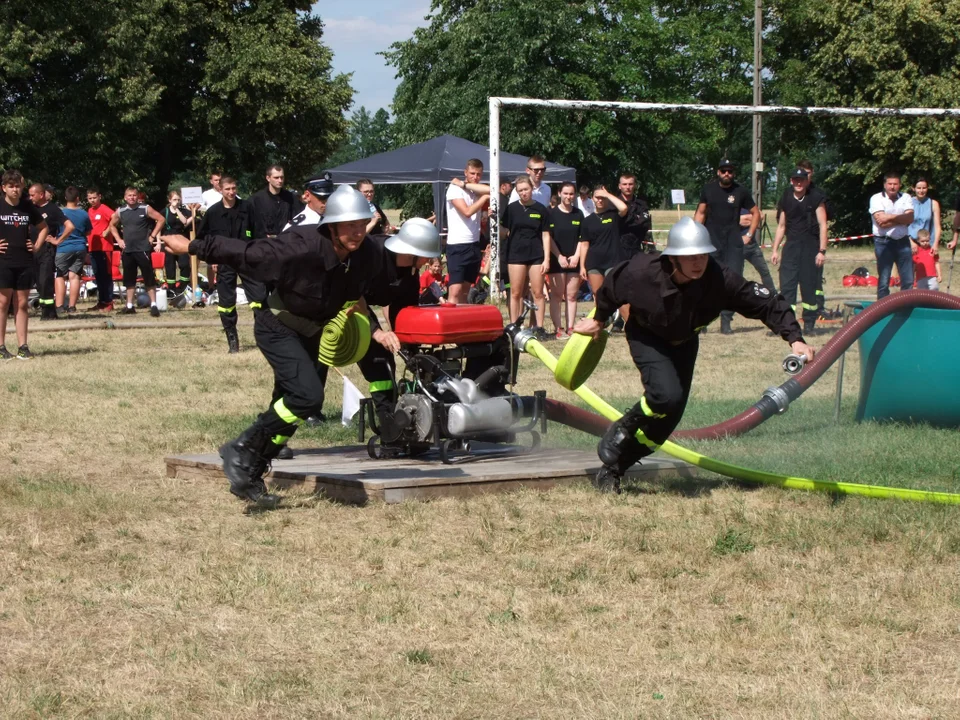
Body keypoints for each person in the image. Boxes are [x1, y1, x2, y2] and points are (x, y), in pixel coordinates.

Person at [160, 185, 389, 506]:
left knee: (296, 407)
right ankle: (242, 447)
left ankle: (248, 473)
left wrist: (375, 332)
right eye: (348, 225)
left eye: (360, 223)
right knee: (306, 396)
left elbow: (360, 295)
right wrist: (190, 246)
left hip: (315, 332)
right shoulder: (301, 245)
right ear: (332, 225)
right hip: (278, 325)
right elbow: (244, 252)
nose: (356, 232)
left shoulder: (369, 255)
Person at [572, 217, 815, 493]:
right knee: (665, 395)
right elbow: (612, 286)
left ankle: (616, 468)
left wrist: (795, 339)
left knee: (667, 422)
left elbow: (766, 303)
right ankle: (623, 426)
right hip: (647, 335)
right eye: (691, 257)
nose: (699, 262)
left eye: (703, 255)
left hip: (685, 341)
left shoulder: (720, 279)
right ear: (674, 258)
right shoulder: (641, 272)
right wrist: (600, 318)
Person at [359, 218, 443, 437]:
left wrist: (409, 347)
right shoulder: (370, 255)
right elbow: (351, 298)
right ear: (411, 252)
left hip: (358, 306)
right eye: (425, 256)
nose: (428, 262)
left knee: (383, 364)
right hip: (334, 308)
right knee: (309, 381)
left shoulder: (410, 271)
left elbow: (404, 309)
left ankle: (391, 426)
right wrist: (377, 332)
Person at [197, 176, 263, 352]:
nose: (231, 192)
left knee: (259, 298)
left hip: (247, 259)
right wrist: (212, 260)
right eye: (227, 189)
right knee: (226, 302)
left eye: (234, 188)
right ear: (220, 190)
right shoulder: (213, 213)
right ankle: (232, 339)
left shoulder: (247, 208)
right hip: (224, 261)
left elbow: (258, 232)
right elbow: (203, 239)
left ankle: (263, 335)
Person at [694, 158, 760, 334]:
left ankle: (726, 321)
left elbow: (756, 213)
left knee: (732, 281)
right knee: (706, 281)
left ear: (733, 173)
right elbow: (700, 213)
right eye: (723, 171)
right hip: (711, 242)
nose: (726, 174)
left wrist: (749, 235)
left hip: (733, 244)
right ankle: (702, 321)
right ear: (718, 172)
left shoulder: (741, 191)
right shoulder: (708, 190)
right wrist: (696, 236)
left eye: (729, 171)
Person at [770, 169, 828, 334]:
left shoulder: (815, 197)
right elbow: (782, 226)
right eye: (795, 179)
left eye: (801, 179)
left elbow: (823, 224)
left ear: (807, 180)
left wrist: (821, 251)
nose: (798, 183)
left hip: (810, 247)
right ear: (791, 180)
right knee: (787, 287)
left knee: (808, 287)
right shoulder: (787, 197)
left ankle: (809, 323)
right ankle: (788, 324)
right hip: (791, 248)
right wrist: (775, 250)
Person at [0, 170, 50, 360]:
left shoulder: (27, 206)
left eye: (17, 186)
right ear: (3, 188)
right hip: (3, 261)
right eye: (10, 186)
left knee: (21, 303)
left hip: (24, 260)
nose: (15, 189)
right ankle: (1, 347)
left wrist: (36, 245)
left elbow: (44, 228)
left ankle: (23, 346)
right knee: (3, 303)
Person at [105, 186, 165, 316]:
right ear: (125, 197)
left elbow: (161, 219)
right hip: (128, 250)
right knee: (129, 279)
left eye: (134, 195)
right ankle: (129, 305)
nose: (132, 198)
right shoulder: (121, 211)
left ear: (138, 197)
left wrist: (152, 236)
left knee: (148, 277)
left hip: (143, 248)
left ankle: (154, 305)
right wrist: (118, 240)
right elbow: (111, 225)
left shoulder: (145, 208)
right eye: (129, 195)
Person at [502, 176, 550, 329]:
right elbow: (504, 230)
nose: (524, 193)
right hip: (516, 255)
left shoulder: (541, 209)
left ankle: (539, 327)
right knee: (516, 293)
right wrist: (493, 220)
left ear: (532, 189)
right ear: (516, 192)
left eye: (526, 189)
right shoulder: (511, 209)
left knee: (538, 293)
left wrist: (547, 259)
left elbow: (546, 234)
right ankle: (514, 326)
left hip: (536, 255)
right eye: (520, 190)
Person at [445, 160, 490, 304]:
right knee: (455, 290)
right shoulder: (454, 189)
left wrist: (467, 185)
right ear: (465, 172)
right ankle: (450, 321)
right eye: (472, 173)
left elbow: (492, 189)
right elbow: (467, 211)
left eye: (478, 174)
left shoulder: (475, 189)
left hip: (474, 245)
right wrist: (483, 199)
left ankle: (462, 323)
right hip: (458, 244)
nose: (475, 177)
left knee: (466, 290)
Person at [28, 183, 74, 320]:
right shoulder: (31, 209)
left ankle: (49, 312)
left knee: (45, 281)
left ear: (41, 195)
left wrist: (58, 241)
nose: (30, 198)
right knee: (37, 282)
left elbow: (70, 226)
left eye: (32, 195)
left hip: (46, 251)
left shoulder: (52, 209)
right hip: (32, 251)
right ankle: (47, 310)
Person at [868, 172, 915, 299]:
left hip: (903, 241)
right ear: (884, 185)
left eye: (895, 184)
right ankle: (883, 308)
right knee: (884, 280)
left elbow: (910, 218)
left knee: (908, 279)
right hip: (883, 242)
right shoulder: (876, 198)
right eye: (890, 184)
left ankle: (905, 305)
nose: (892, 187)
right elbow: (881, 222)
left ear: (899, 185)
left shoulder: (906, 197)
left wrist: (890, 217)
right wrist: (901, 218)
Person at [547, 182, 584, 338]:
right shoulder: (551, 214)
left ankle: (570, 327)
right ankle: (558, 329)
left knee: (571, 296)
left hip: (574, 260)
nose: (569, 197)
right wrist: (559, 256)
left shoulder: (578, 214)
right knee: (557, 296)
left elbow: (583, 239)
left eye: (571, 194)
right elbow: (547, 238)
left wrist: (576, 256)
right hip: (557, 260)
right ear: (559, 194)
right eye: (566, 193)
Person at [579, 185, 628, 298]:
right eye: (597, 197)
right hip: (594, 263)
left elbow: (624, 208)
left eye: (603, 198)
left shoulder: (613, 215)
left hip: (613, 261)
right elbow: (584, 245)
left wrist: (607, 194)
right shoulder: (587, 221)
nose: (600, 200)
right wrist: (582, 266)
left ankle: (623, 316)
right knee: (598, 294)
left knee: (615, 292)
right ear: (592, 198)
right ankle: (601, 316)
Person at [56, 186, 93, 315]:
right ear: (78, 198)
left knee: (61, 276)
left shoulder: (60, 212)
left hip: (63, 247)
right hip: (80, 247)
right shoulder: (84, 213)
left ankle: (60, 305)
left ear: (65, 198)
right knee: (75, 276)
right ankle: (72, 306)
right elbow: (88, 231)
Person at [250, 164, 300, 238]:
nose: (280, 180)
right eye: (276, 178)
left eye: (282, 177)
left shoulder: (291, 198)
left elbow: (298, 219)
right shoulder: (257, 200)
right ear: (268, 178)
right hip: (264, 244)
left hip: (286, 242)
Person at [86, 187, 116, 311]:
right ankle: (101, 301)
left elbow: (115, 216)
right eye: (90, 198)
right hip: (93, 247)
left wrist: (108, 230)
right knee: (98, 275)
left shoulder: (103, 209)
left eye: (94, 198)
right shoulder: (89, 210)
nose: (92, 200)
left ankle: (109, 301)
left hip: (105, 247)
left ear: (99, 197)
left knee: (106, 275)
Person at [161, 190, 195, 298]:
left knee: (184, 264)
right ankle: (171, 289)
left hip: (181, 239)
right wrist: (158, 242)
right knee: (170, 265)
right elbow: (159, 226)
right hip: (168, 239)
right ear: (169, 200)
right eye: (174, 199)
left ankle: (183, 287)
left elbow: (184, 221)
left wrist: (177, 210)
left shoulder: (183, 211)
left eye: (178, 200)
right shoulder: (164, 211)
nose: (177, 201)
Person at [738, 207, 777, 292]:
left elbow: (760, 215)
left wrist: (746, 219)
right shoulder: (732, 205)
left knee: (764, 271)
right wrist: (752, 219)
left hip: (752, 245)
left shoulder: (747, 204)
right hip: (737, 246)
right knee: (737, 275)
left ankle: (773, 295)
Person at [617, 172, 652, 259]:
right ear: (619, 186)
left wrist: (625, 219)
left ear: (635, 185)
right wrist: (635, 218)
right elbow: (615, 224)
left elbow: (644, 223)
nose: (628, 187)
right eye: (624, 184)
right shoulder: (613, 204)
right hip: (617, 250)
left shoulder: (641, 205)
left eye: (630, 184)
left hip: (636, 248)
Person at [909, 177, 941, 253]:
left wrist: (935, 244)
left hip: (927, 244)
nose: (921, 190)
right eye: (919, 188)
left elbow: (937, 226)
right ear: (913, 188)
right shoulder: (908, 203)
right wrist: (911, 242)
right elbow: (903, 226)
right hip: (911, 243)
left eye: (924, 188)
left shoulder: (933, 203)